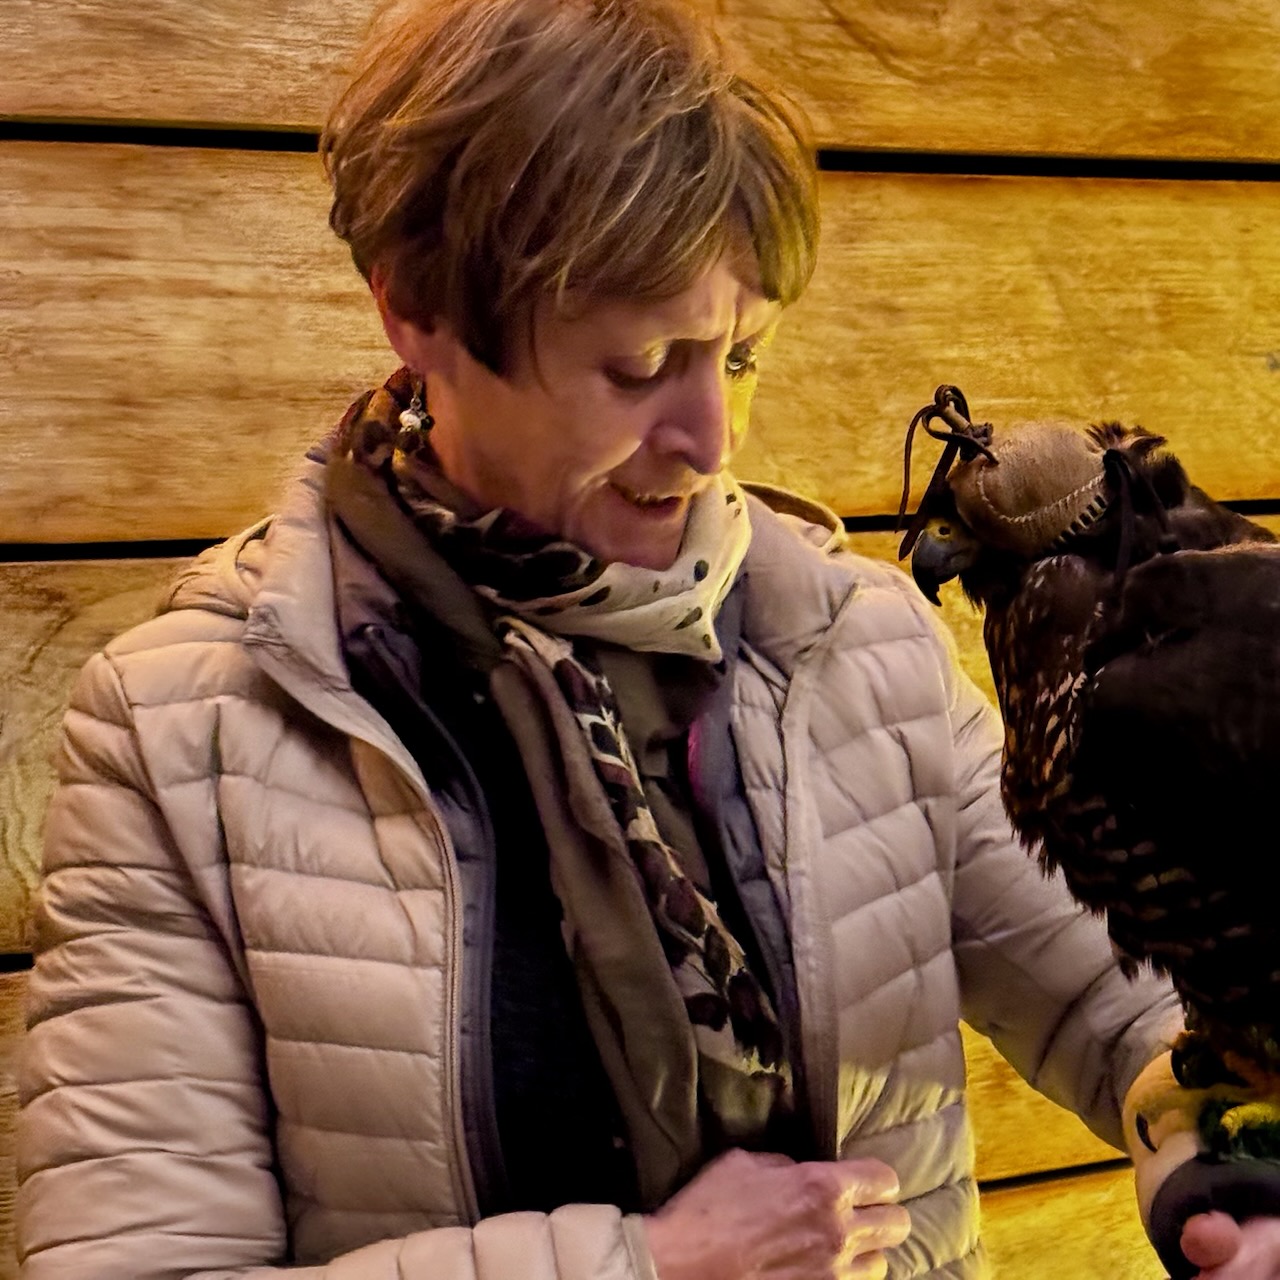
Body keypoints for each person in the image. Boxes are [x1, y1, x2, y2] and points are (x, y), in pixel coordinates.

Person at [13, 0, 1280, 1276]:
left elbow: (1125, 998)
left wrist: (1226, 1174)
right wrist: (645, 1265)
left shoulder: (853, 642)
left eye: (742, 357)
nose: (709, 439)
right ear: (417, 310)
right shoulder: (183, 732)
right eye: (638, 365)